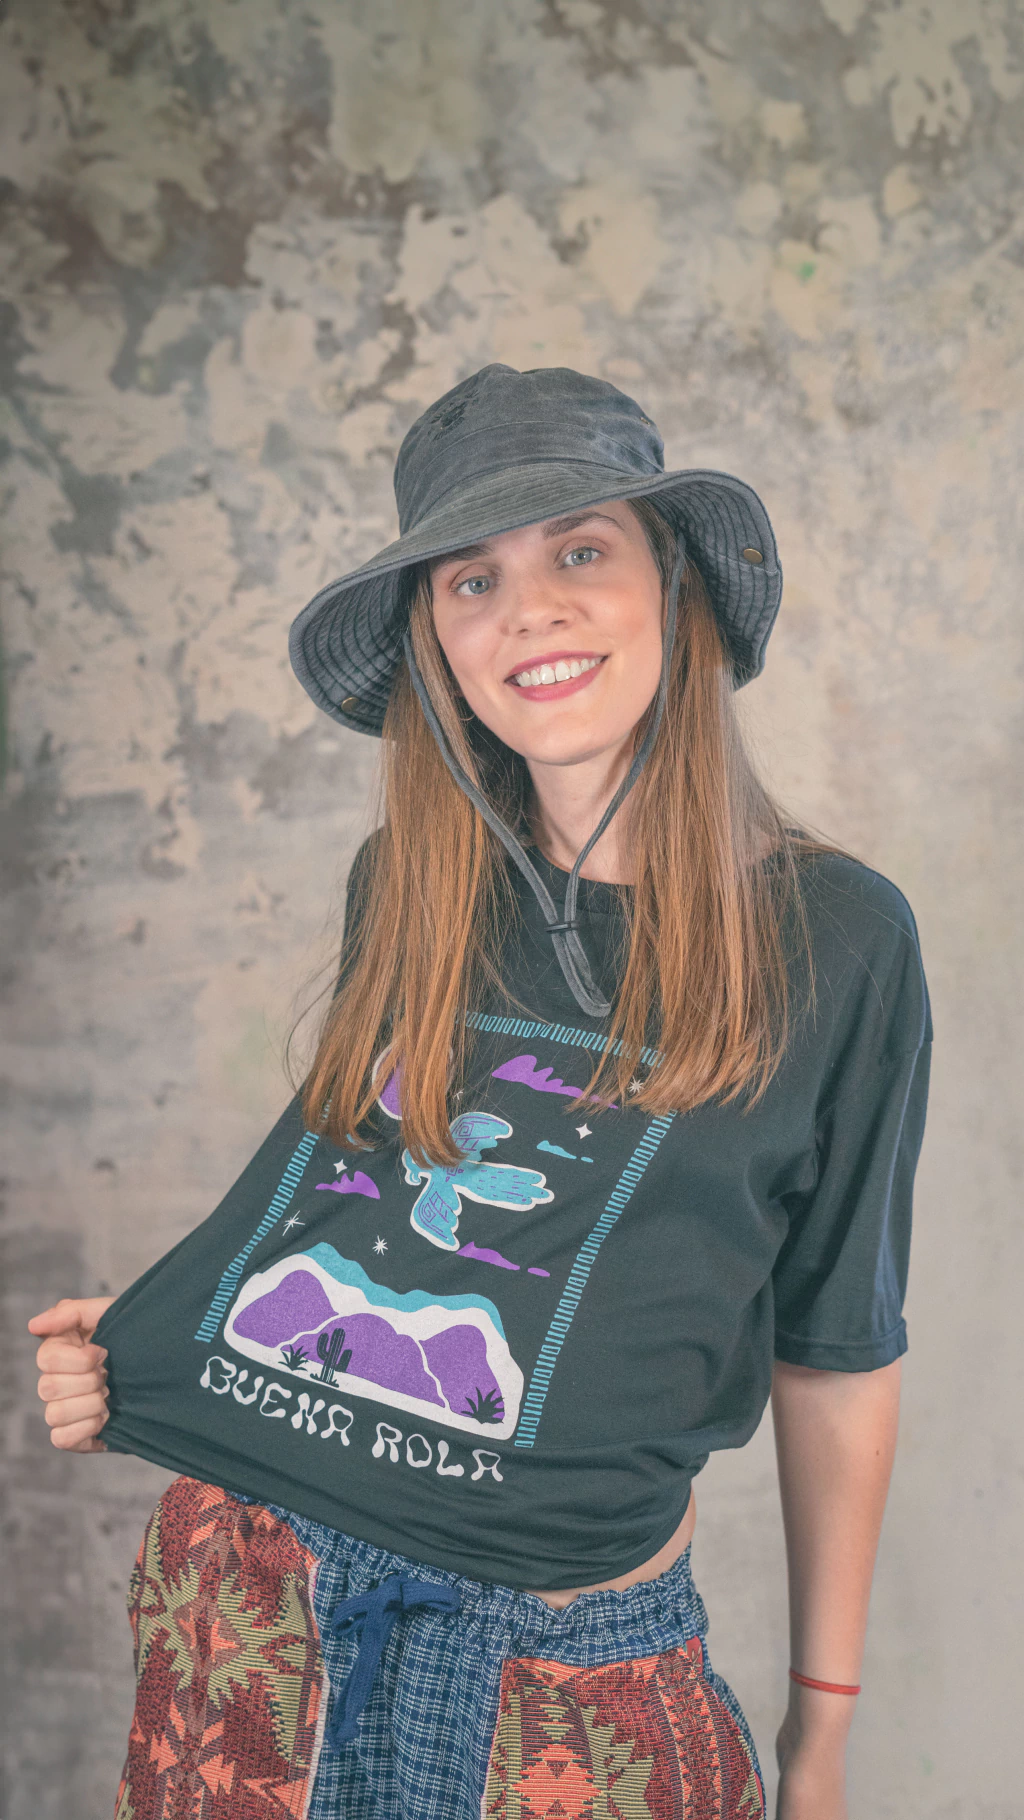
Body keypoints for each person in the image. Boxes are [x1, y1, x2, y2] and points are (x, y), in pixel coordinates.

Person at [30, 364, 931, 1820]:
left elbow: (836, 1349)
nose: (529, 612)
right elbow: (348, 1189)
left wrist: (818, 1732)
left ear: (674, 587)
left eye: (581, 551)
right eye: (472, 580)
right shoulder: (407, 886)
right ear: (437, 641)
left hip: (567, 1670)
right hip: (251, 1611)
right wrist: (170, 1330)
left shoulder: (840, 938)